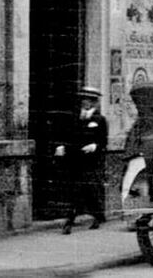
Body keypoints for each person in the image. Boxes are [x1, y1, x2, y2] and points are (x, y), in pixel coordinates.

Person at [55, 86, 108, 234]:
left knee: (87, 190)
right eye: (84, 100)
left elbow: (103, 141)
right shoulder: (74, 117)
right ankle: (74, 219)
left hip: (91, 161)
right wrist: (61, 146)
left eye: (89, 100)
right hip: (74, 159)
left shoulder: (100, 120)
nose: (86, 103)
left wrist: (95, 146)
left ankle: (90, 217)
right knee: (75, 190)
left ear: (94, 102)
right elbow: (67, 135)